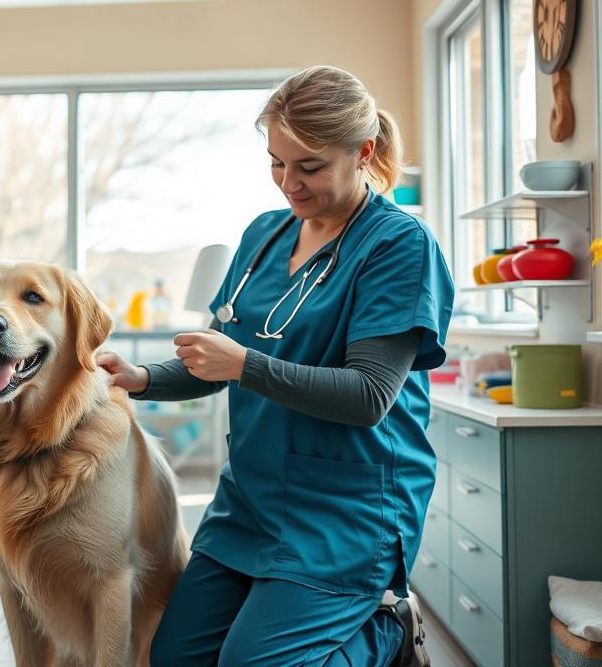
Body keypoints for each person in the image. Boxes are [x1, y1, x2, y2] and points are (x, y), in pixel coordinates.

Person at [98, 66, 454, 666]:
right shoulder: (264, 235)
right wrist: (143, 378)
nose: (289, 183)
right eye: (276, 163)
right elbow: (219, 354)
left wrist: (245, 365)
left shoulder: (398, 245)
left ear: (363, 151)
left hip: (347, 509)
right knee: (174, 658)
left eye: (309, 166)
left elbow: (369, 395)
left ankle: (385, 635)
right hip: (252, 500)